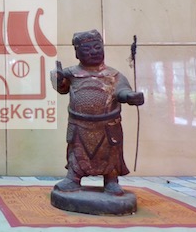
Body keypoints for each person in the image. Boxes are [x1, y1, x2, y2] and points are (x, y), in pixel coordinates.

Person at [51, 29, 143, 195]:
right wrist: (57, 78)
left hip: (107, 125)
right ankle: (73, 178)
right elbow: (62, 87)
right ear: (77, 53)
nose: (93, 52)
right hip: (79, 125)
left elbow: (122, 91)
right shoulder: (72, 74)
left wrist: (130, 96)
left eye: (97, 47)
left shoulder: (113, 75)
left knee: (110, 153)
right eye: (86, 49)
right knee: (77, 152)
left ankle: (111, 180)